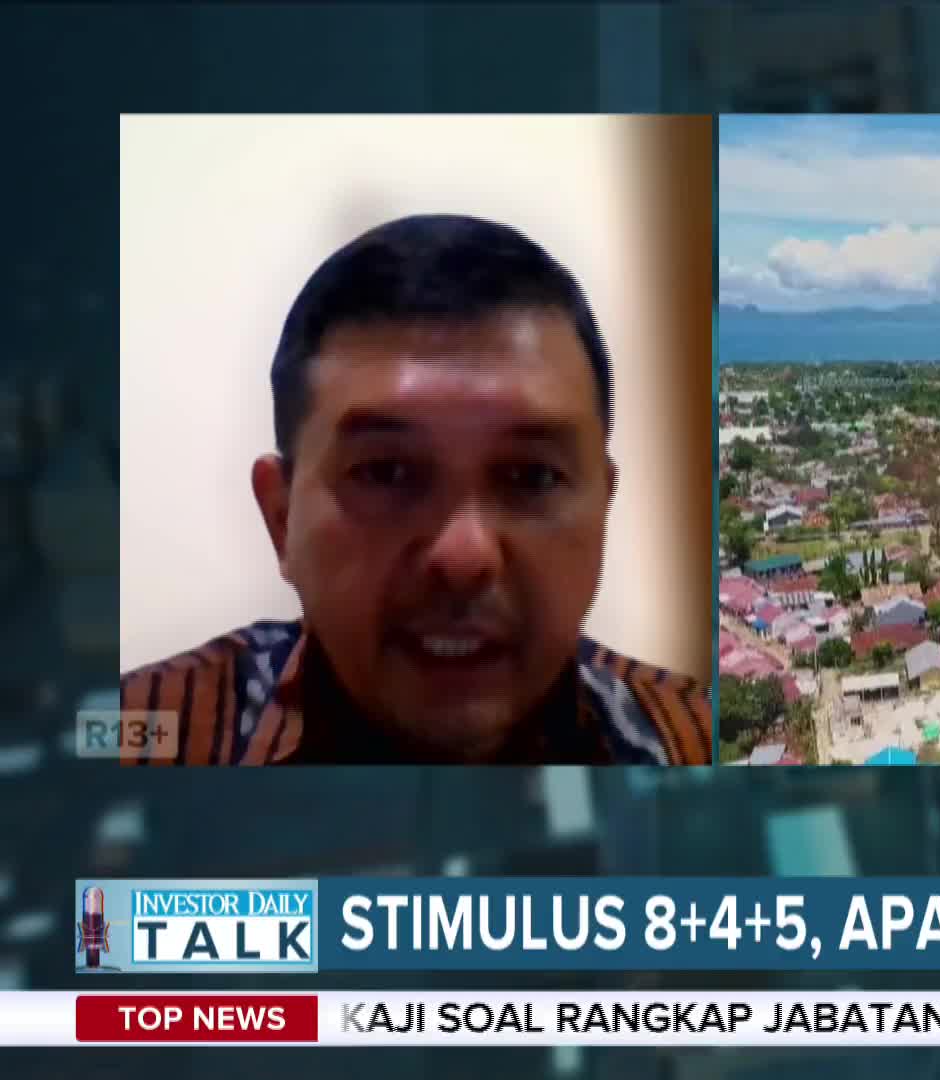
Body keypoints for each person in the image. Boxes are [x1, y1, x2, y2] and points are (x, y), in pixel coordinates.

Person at [120, 214, 710, 765]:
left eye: (531, 477)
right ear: (281, 519)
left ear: (603, 508)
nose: (465, 557)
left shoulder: (696, 737)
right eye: (386, 473)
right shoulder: (138, 728)